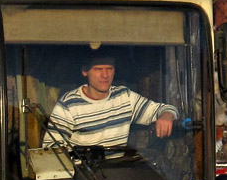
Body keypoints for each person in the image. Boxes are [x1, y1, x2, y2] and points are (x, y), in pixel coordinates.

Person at [44, 49, 177, 149]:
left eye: (109, 68)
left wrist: (166, 116)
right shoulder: (68, 105)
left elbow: (165, 109)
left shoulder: (125, 97)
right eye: (98, 69)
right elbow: (51, 149)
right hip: (83, 177)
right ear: (85, 71)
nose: (105, 75)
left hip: (118, 175)